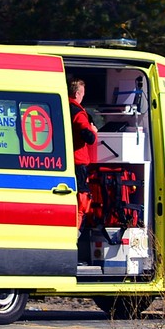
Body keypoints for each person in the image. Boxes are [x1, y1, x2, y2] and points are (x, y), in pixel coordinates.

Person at [68, 78, 98, 224]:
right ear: (76, 94)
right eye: (82, 94)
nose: (83, 97)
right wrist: (93, 130)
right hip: (78, 162)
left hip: (68, 160)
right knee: (82, 199)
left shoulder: (62, 106)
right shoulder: (78, 113)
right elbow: (89, 137)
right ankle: (77, 231)